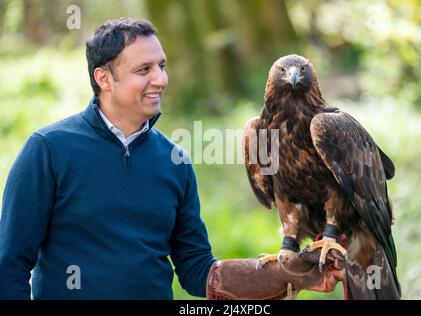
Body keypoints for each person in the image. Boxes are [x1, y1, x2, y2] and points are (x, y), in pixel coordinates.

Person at [0, 18, 343, 300]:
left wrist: (294, 275)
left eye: (161, 66)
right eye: (143, 69)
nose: (160, 80)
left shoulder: (173, 160)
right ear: (103, 78)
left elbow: (198, 271)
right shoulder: (48, 150)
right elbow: (10, 264)